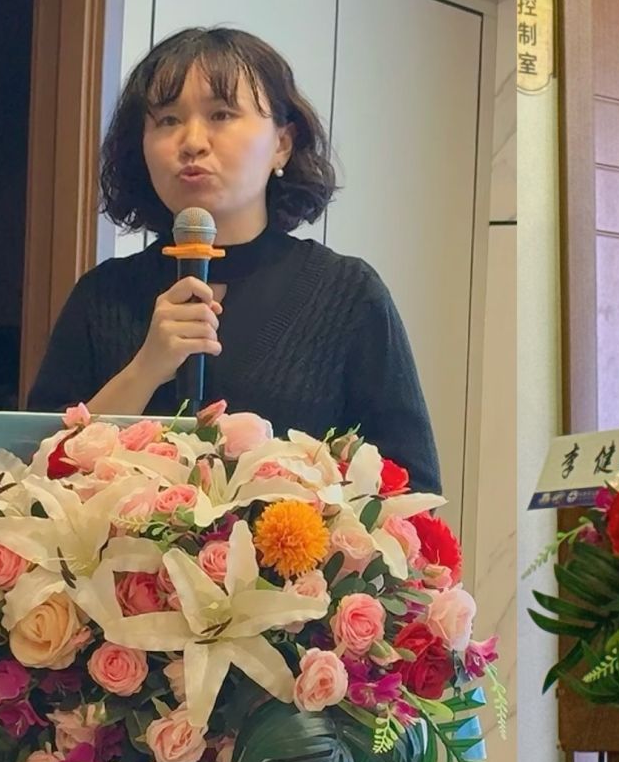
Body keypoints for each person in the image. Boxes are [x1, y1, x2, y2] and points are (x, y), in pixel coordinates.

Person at [25, 24, 441, 491]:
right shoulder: (103, 296)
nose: (192, 142)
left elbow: (412, 488)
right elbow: (31, 479)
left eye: (221, 114)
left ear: (282, 144)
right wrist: (146, 369)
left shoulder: (347, 294)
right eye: (167, 120)